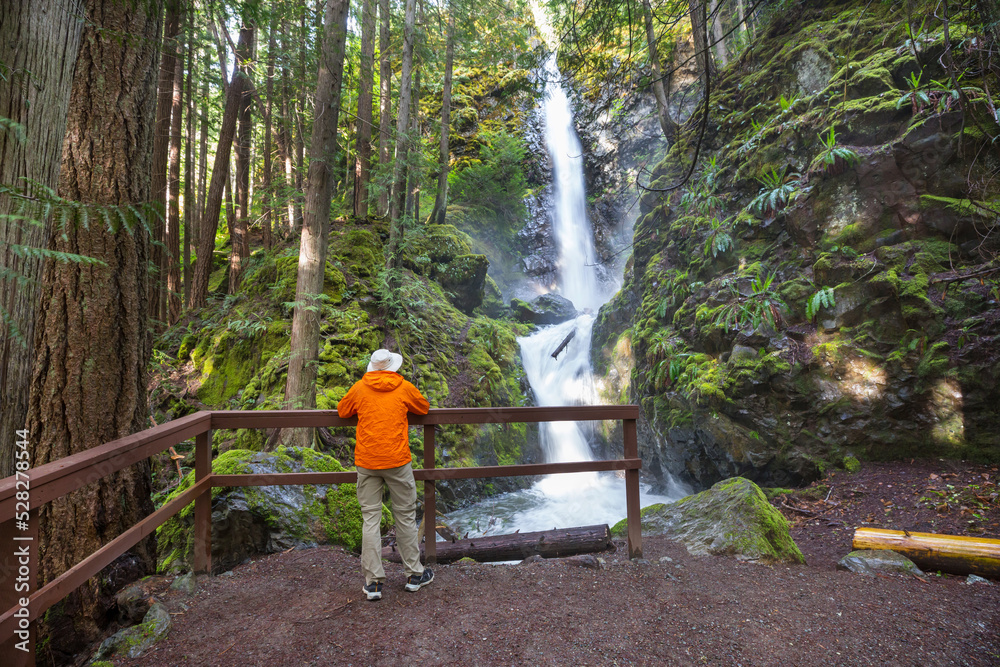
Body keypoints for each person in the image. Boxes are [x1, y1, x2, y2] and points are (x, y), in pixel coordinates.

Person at [337, 348, 434, 601]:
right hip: (398, 461)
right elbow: (423, 408)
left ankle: (374, 583)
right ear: (392, 367)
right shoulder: (403, 387)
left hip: (367, 462)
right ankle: (414, 575)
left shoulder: (359, 388)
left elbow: (343, 411)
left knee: (370, 519)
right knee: (404, 516)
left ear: (372, 366)